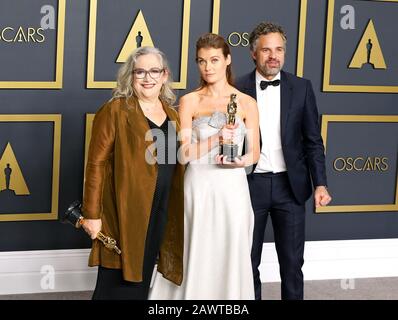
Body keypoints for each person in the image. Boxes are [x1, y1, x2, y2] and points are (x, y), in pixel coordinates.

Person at [149, 33, 260, 300]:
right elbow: (184, 154)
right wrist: (216, 138)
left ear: (227, 60)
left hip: (232, 187)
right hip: (198, 185)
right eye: (201, 61)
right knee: (196, 248)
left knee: (231, 248)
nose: (208, 67)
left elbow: (255, 152)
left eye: (214, 60)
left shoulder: (247, 102)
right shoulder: (190, 101)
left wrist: (240, 161)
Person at [235, 22, 332, 300]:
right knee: (246, 262)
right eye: (266, 50)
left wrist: (320, 184)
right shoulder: (236, 88)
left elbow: (313, 140)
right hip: (248, 186)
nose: (273, 56)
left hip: (291, 187)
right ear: (254, 53)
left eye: (279, 49)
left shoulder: (301, 88)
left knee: (292, 264)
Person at [81, 46, 184, 300]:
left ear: (164, 75)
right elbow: (96, 165)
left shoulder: (171, 114)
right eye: (140, 72)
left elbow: (170, 164)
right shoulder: (115, 110)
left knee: (142, 277)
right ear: (131, 76)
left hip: (160, 211)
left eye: (154, 71)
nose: (147, 78)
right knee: (115, 281)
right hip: (124, 212)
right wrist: (92, 215)